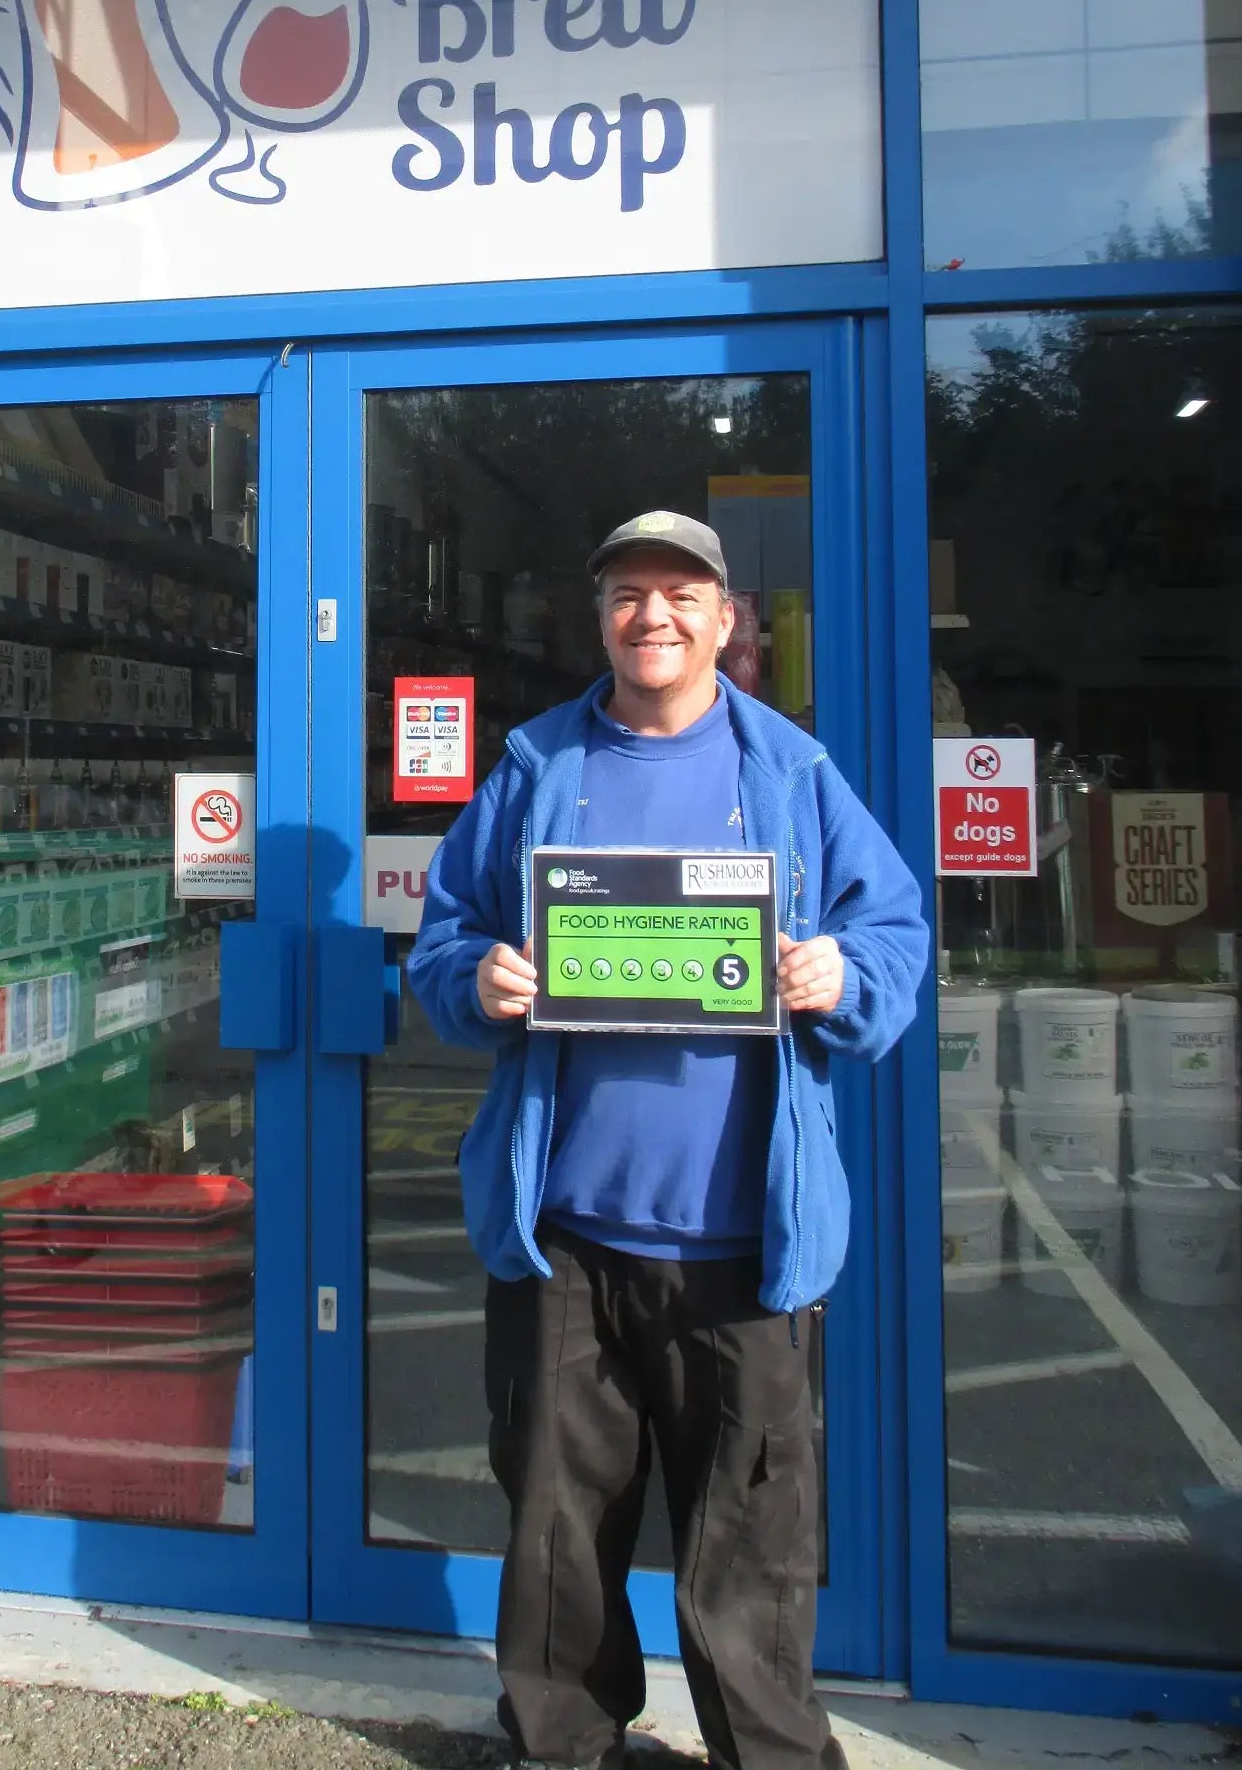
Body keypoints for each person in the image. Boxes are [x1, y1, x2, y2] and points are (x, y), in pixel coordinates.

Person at [409, 511, 927, 1770]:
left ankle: (768, 1756)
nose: (656, 616)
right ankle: (564, 1747)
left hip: (746, 1241)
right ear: (600, 617)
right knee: (557, 1532)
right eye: (630, 594)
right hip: (568, 1235)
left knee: (750, 1543)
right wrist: (478, 979)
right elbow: (439, 942)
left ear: (725, 617)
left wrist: (835, 972)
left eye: (681, 594)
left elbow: (897, 938)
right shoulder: (534, 766)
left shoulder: (795, 773)